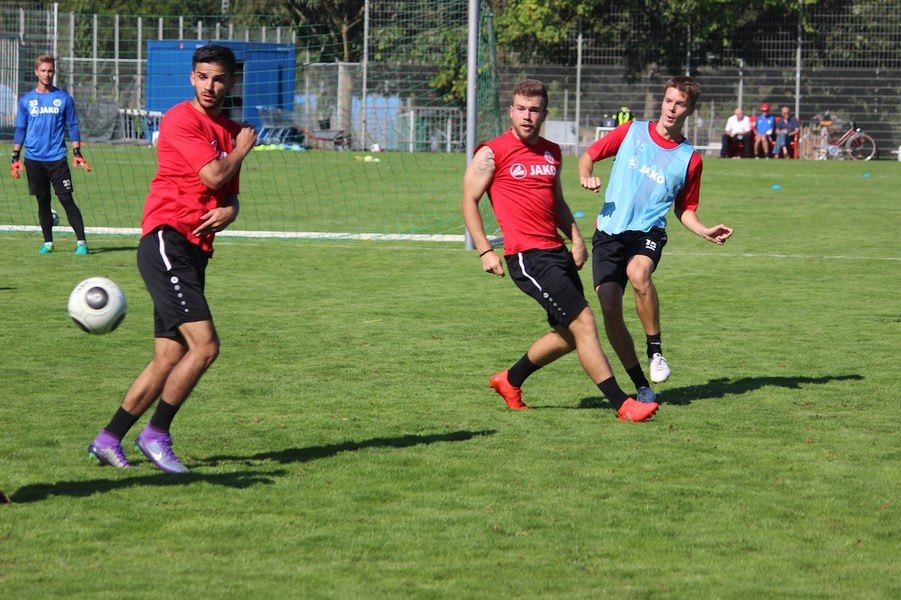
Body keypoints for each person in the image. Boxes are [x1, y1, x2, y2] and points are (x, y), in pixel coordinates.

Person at [87, 45, 258, 473]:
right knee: (206, 347)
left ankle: (108, 439)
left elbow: (229, 194)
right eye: (203, 76)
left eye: (219, 78)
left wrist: (231, 212)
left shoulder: (230, 130)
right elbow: (214, 175)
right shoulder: (181, 119)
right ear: (191, 77)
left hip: (195, 250)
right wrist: (242, 149)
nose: (210, 86)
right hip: (168, 240)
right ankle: (155, 434)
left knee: (169, 356)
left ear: (231, 82)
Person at [461, 79, 657, 422]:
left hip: (557, 251)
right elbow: (468, 200)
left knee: (568, 335)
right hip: (526, 255)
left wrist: (576, 238)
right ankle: (622, 404)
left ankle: (510, 380)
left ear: (544, 114)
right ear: (511, 111)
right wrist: (484, 250)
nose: (527, 116)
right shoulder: (491, 152)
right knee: (584, 323)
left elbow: (557, 203)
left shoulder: (552, 152)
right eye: (521, 109)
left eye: (534, 110)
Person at [578, 76, 734, 395]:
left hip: (647, 231)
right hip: (608, 232)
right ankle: (640, 384)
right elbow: (588, 156)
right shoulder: (632, 131)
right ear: (662, 101)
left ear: (690, 110)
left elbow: (685, 209)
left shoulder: (690, 159)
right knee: (610, 308)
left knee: (639, 274)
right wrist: (586, 175)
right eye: (668, 101)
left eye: (680, 104)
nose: (671, 109)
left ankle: (655, 351)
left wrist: (704, 230)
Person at [11, 54, 92, 255]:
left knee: (66, 198)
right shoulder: (26, 101)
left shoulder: (64, 99)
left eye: (50, 71)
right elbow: (21, 129)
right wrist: (15, 155)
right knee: (42, 200)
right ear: (36, 72)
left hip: (57, 158)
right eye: (43, 70)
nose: (47, 74)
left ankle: (82, 243)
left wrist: (77, 151)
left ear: (54, 72)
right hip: (33, 159)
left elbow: (73, 125)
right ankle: (48, 243)